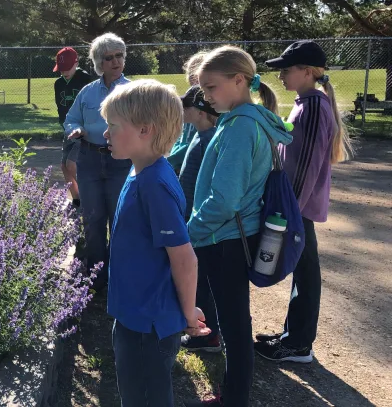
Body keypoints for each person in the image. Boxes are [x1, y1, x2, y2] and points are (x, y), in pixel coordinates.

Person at [184, 46, 293, 407]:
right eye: (203, 90)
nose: (207, 97)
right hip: (229, 236)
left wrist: (190, 232)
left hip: (225, 238)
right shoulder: (245, 120)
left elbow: (224, 200)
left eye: (212, 88)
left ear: (239, 80)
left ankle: (234, 400)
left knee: (234, 326)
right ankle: (233, 395)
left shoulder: (241, 127)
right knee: (234, 323)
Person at [101, 79, 209, 407]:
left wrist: (188, 312)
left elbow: (184, 258)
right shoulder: (140, 172)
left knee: (146, 396)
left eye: (113, 126)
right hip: (134, 314)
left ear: (145, 130)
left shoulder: (154, 185)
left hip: (149, 325)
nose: (106, 134)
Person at [254, 40, 354, 363]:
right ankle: (293, 335)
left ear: (308, 72)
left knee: (306, 271)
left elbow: (308, 164)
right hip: (297, 206)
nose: (281, 75)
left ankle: (298, 343)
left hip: (297, 208)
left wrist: (288, 211)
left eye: (287, 69)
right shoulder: (305, 103)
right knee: (303, 269)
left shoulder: (312, 107)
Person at [63, 32, 133, 290]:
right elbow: (70, 118)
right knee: (92, 219)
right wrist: (75, 129)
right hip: (89, 160)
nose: (116, 61)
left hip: (121, 161)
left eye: (120, 56)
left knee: (119, 218)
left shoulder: (133, 91)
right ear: (98, 63)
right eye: (109, 58)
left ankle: (118, 276)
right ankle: (96, 278)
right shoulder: (87, 92)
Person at [175, 85, 222, 353]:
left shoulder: (209, 139)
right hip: (190, 219)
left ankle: (208, 335)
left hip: (199, 225)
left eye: (187, 105)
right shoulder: (200, 134)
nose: (183, 110)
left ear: (200, 111)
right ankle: (203, 331)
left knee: (201, 281)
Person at [54, 47, 94, 208]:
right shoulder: (58, 84)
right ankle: (77, 199)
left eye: (68, 67)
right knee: (64, 166)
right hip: (68, 129)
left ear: (76, 63)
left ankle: (91, 193)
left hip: (83, 129)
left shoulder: (85, 79)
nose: (64, 71)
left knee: (72, 164)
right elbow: (60, 107)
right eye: (61, 69)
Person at [168, 51, 208, 172]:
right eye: (190, 72)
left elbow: (196, 142)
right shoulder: (189, 99)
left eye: (195, 72)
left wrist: (170, 160)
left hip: (193, 162)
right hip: (180, 161)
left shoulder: (206, 106)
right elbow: (181, 139)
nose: (193, 77)